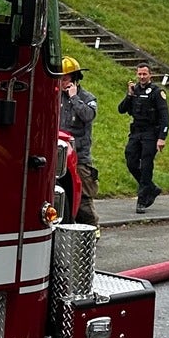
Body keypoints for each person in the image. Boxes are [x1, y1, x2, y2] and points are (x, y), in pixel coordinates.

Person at [116, 64, 169, 212]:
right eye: (139, 74)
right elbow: (121, 110)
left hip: (151, 134)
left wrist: (162, 138)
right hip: (136, 132)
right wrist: (129, 95)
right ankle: (151, 188)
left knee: (146, 165)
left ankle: (142, 200)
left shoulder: (157, 92)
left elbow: (165, 116)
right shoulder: (134, 91)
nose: (141, 77)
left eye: (144, 74)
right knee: (131, 161)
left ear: (150, 75)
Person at [57, 55, 99, 225]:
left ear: (74, 79)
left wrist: (74, 98)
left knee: (83, 200)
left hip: (79, 157)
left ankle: (92, 229)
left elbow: (88, 116)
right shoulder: (55, 97)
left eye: (64, 78)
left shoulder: (87, 98)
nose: (60, 81)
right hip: (59, 156)